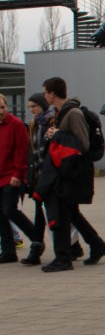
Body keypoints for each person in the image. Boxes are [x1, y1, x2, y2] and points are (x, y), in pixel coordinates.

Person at [35, 77, 105, 271]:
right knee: (70, 212)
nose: (44, 96)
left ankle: (64, 257)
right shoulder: (61, 113)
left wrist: (57, 134)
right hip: (65, 170)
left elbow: (83, 143)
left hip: (71, 171)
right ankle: (97, 245)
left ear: (52, 94)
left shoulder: (73, 113)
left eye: (45, 92)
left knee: (63, 213)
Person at [19, 92, 56, 264]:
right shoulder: (34, 124)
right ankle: (36, 249)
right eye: (30, 107)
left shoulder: (50, 121)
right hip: (37, 176)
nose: (32, 110)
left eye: (34, 106)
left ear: (42, 105)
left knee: (54, 214)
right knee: (39, 214)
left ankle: (69, 247)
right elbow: (31, 152)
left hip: (48, 175)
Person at [0, 93, 36, 263]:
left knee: (10, 210)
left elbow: (22, 152)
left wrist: (18, 174)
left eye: (2, 107)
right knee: (0, 215)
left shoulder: (15, 124)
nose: (1, 111)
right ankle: (8, 252)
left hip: (11, 176)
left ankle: (36, 237)